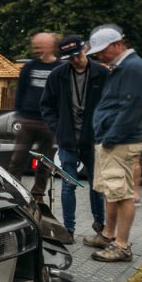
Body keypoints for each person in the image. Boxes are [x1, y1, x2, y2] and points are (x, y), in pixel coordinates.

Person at [83, 25, 142, 262]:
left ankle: (122, 246)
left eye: (102, 50)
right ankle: (107, 235)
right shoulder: (122, 67)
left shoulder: (133, 68)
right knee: (112, 192)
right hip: (111, 141)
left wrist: (110, 139)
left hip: (119, 142)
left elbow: (129, 110)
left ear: (118, 44)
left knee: (123, 195)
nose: (99, 56)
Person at [40, 34, 109, 244]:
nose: (75, 60)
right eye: (70, 57)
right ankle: (68, 230)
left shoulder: (102, 73)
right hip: (68, 140)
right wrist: (58, 128)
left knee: (97, 184)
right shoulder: (57, 75)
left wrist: (103, 129)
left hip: (93, 140)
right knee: (68, 184)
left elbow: (110, 104)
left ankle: (100, 226)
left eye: (77, 55)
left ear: (85, 48)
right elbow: (47, 106)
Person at [9, 33, 60, 200]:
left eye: (39, 46)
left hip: (48, 122)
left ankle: (38, 194)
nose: (36, 50)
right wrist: (19, 114)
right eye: (35, 46)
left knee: (45, 162)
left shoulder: (59, 68)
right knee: (18, 158)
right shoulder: (29, 66)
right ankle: (13, 191)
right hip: (28, 119)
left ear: (49, 47)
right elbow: (20, 90)